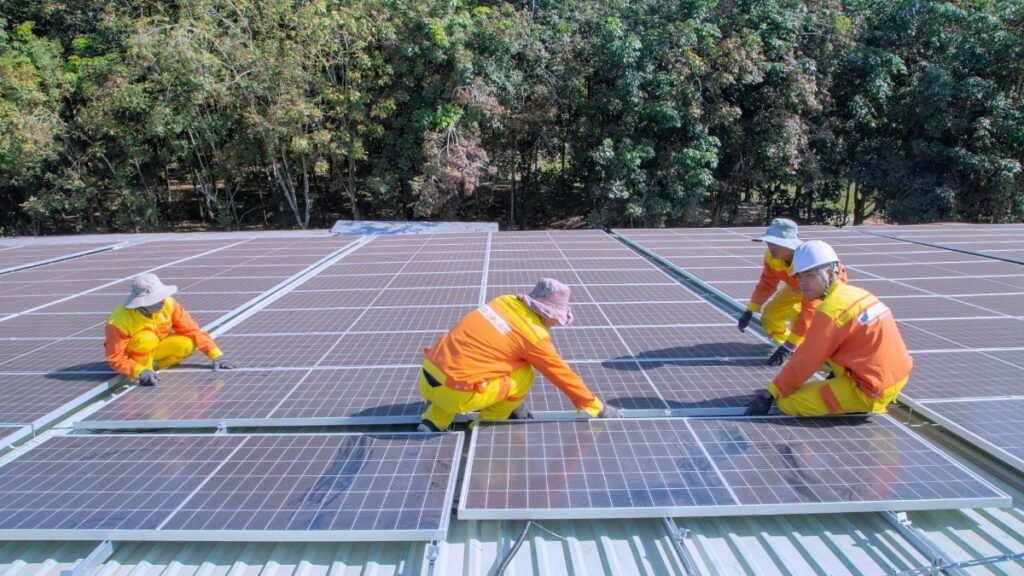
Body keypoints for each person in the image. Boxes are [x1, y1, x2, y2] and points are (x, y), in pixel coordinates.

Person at [416, 278, 619, 432]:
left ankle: (433, 420)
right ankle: (488, 422)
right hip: (457, 392)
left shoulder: (503, 301)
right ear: (547, 314)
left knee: (471, 366)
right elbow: (562, 375)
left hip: (428, 375)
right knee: (524, 373)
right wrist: (597, 407)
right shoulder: (533, 335)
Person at [747, 241, 913, 416]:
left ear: (828, 273)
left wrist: (771, 392)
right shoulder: (855, 293)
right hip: (894, 374)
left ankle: (857, 403)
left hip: (871, 389)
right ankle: (843, 383)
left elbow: (807, 359)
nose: (802, 283)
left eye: (809, 275)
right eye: (799, 276)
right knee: (821, 340)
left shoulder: (831, 311)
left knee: (787, 402)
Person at [737, 218, 845, 366]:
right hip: (796, 285)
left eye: (775, 244)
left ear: (788, 246)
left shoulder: (809, 262)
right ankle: (796, 350)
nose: (770, 247)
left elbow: (810, 309)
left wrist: (790, 345)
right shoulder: (771, 257)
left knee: (803, 318)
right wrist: (750, 310)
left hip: (823, 287)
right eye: (769, 243)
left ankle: (818, 353)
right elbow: (767, 283)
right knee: (770, 316)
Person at [104, 273, 236, 386]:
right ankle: (145, 372)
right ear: (142, 303)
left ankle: (154, 365)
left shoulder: (170, 304)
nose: (161, 301)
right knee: (147, 338)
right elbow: (116, 358)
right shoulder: (118, 321)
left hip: (156, 349)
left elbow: (193, 330)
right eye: (156, 300)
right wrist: (139, 370)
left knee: (187, 343)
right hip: (133, 359)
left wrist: (217, 356)